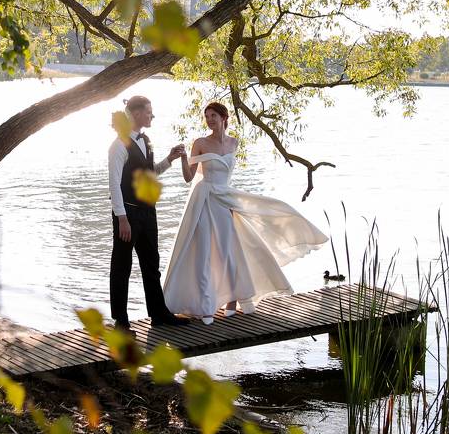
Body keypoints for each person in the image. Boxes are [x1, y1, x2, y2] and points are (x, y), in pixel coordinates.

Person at [163, 101, 329, 324]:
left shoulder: (234, 143)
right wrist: (184, 158)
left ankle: (232, 300)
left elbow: (226, 177)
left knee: (227, 253)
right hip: (204, 200)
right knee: (203, 253)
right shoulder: (200, 143)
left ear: (224, 118)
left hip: (225, 200)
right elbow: (188, 178)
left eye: (213, 116)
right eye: (207, 116)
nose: (209, 120)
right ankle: (205, 306)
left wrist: (232, 203)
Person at [108, 95, 192, 331]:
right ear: (136, 114)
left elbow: (149, 173)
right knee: (122, 267)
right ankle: (121, 322)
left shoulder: (146, 140)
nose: (152, 116)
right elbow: (114, 184)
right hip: (127, 215)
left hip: (148, 213)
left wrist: (169, 159)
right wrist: (122, 218)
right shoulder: (118, 145)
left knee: (151, 264)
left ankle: (159, 314)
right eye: (148, 112)